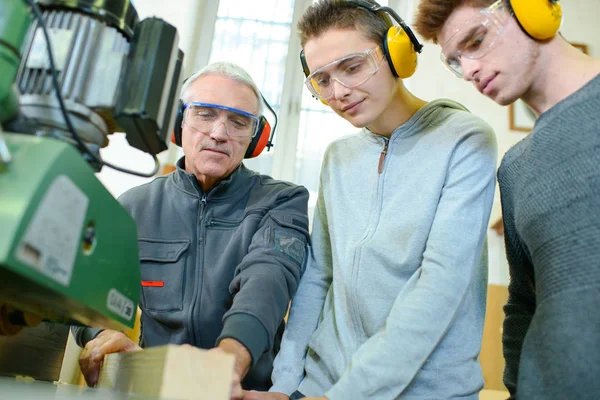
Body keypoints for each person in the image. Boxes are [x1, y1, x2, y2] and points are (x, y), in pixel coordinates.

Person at [244, 1, 497, 399]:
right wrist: (286, 383)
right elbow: (318, 276)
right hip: (319, 386)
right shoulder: (338, 157)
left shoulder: (465, 139)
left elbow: (439, 286)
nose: (339, 92)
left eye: (352, 66)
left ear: (396, 52)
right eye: (322, 81)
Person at [72, 62, 311, 399]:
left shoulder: (282, 200)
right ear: (177, 122)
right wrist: (98, 334)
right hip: (157, 389)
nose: (219, 132)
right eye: (205, 114)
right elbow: (86, 294)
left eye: (239, 121)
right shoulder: (133, 207)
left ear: (256, 139)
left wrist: (223, 367)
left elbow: (267, 282)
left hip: (247, 392)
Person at [413, 0, 600, 398]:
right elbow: (522, 303)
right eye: (455, 62)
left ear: (533, 10)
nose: (469, 71)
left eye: (476, 41)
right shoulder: (515, 167)